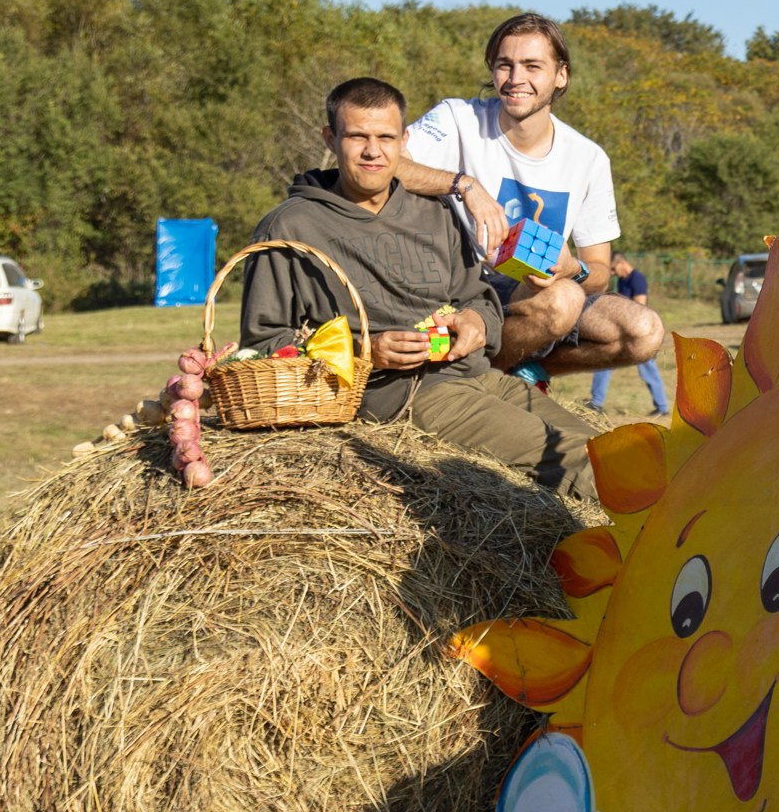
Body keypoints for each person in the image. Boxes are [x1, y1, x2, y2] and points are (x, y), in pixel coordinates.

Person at [240, 77, 596, 499]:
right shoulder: (291, 225)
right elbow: (262, 346)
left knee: (609, 449)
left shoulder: (433, 212)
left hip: (478, 376)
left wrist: (476, 324)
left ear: (404, 140)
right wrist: (364, 351)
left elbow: (477, 297)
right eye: (357, 136)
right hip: (403, 396)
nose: (373, 151)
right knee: (579, 461)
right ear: (330, 139)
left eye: (386, 137)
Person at [392, 13, 665, 389]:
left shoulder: (589, 159)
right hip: (462, 288)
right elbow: (387, 164)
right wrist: (463, 184)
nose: (516, 78)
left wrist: (574, 270)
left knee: (645, 331)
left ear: (561, 75)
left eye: (532, 66)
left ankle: (526, 372)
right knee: (563, 300)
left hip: (537, 294)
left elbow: (599, 271)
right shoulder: (458, 118)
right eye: (505, 65)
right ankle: (478, 381)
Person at [589, 253, 669, 417]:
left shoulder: (637, 279)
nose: (612, 273)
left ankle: (662, 408)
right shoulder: (622, 280)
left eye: (612, 269)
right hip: (624, 332)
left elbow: (640, 306)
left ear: (621, 263)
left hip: (639, 334)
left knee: (647, 369)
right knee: (604, 362)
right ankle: (596, 403)